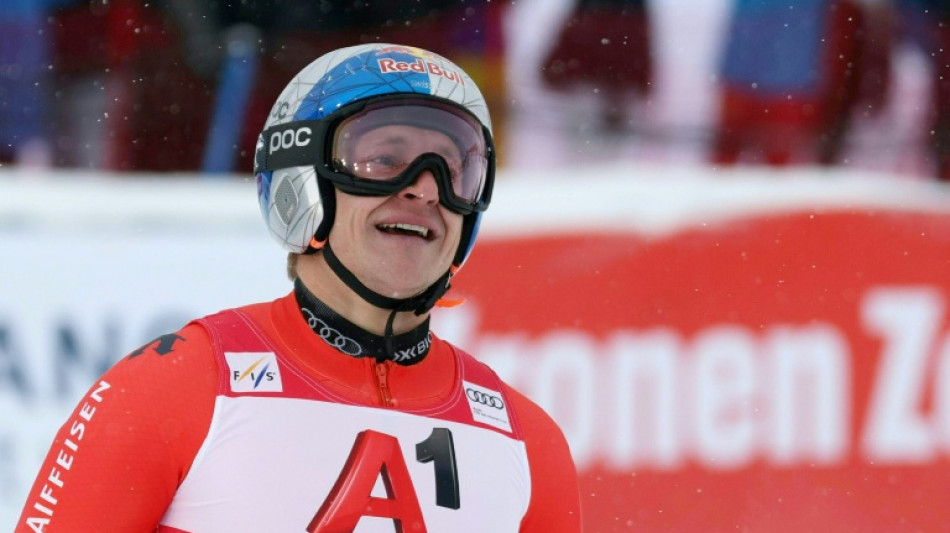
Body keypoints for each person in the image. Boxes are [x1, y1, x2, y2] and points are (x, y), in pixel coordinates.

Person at [14, 43, 583, 532]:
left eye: (454, 169)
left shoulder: (528, 443)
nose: (425, 191)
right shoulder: (177, 387)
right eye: (385, 160)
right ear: (303, 183)